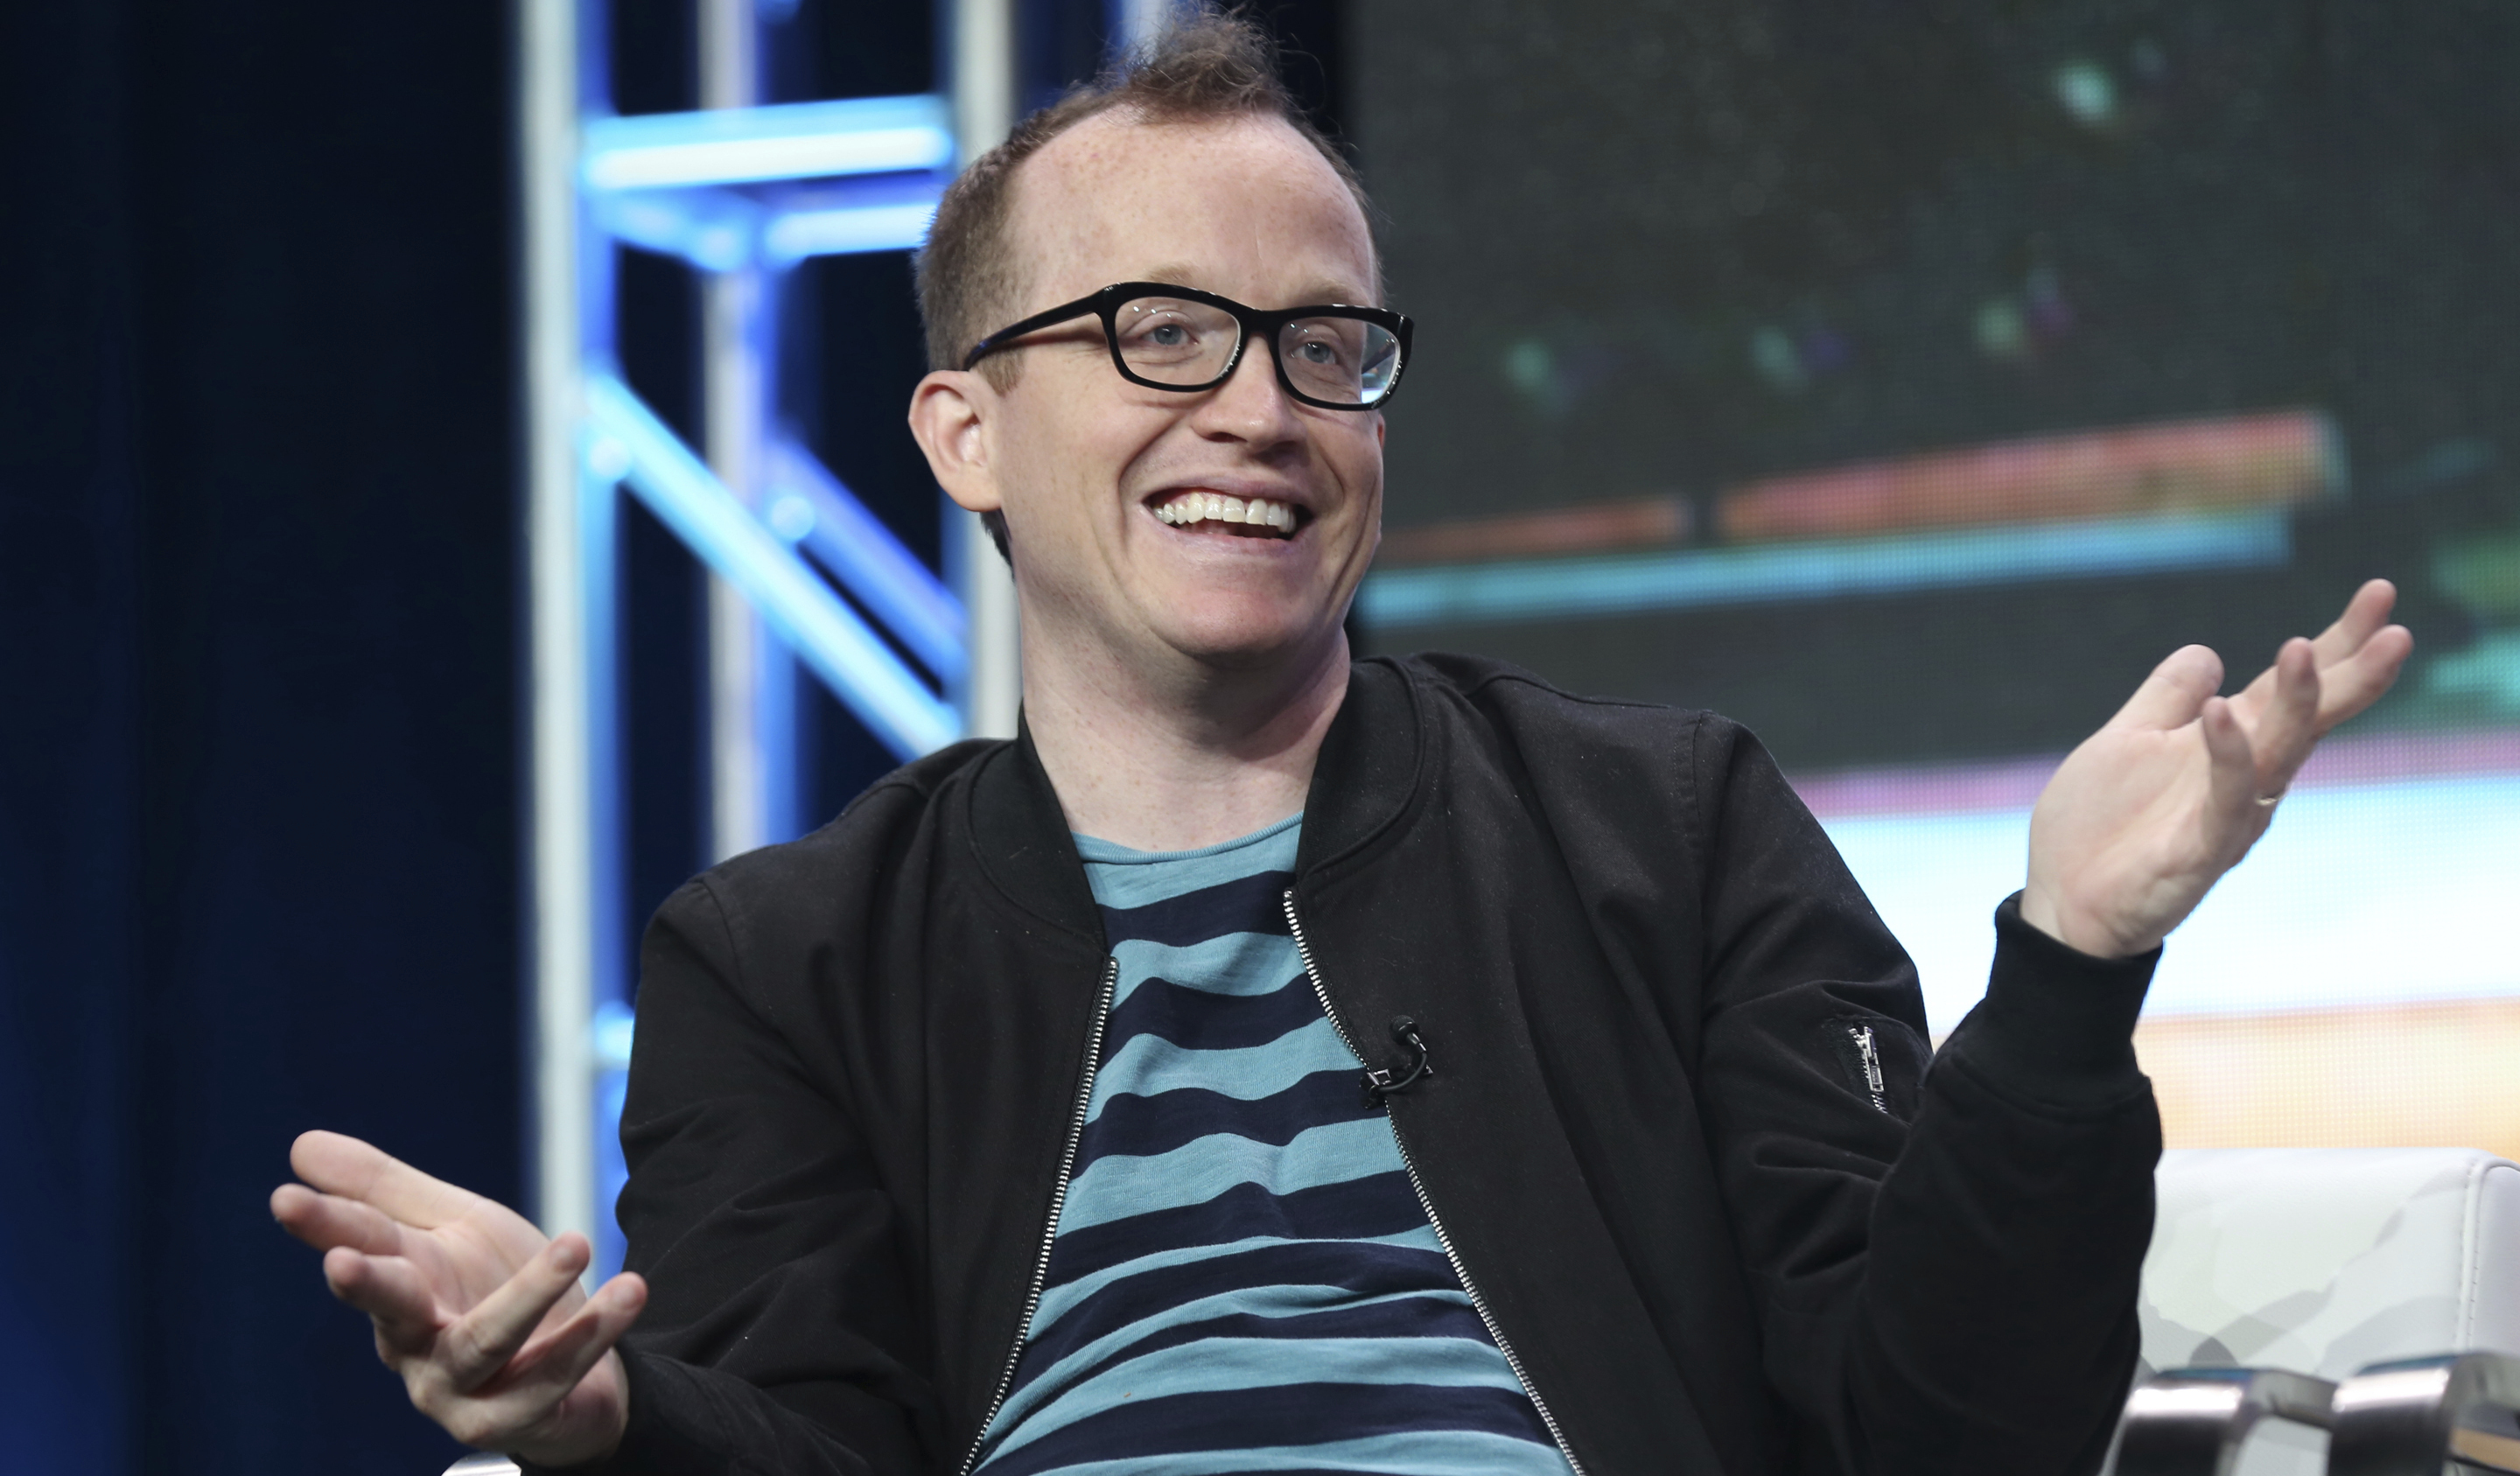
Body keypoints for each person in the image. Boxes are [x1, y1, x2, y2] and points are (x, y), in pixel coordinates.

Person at [271, 14, 2412, 1475]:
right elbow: (808, 1440)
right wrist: (607, 1425)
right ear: (964, 431)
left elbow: (1945, 1434)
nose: (1261, 410)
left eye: (1325, 344)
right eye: (1160, 333)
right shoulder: (786, 962)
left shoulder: (1669, 831)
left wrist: (2067, 967)